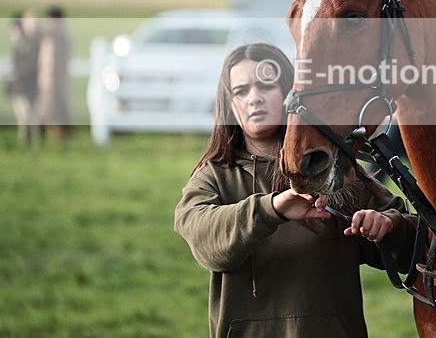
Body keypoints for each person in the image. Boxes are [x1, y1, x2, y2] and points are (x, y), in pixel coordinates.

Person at [174, 42, 417, 338]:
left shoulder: (328, 168)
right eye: (241, 91)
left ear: (291, 94)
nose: (254, 99)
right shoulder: (213, 177)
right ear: (229, 104)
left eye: (266, 86)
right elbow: (206, 243)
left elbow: (417, 250)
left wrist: (389, 227)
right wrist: (273, 209)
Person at [36, 6, 72, 142]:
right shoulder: (48, 36)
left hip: (56, 82)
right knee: (46, 111)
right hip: (46, 81)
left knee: (56, 112)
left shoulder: (61, 37)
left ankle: (60, 138)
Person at [7, 13, 41, 146]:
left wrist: (17, 73)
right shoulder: (21, 45)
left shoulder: (26, 45)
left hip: (24, 86)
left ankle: (28, 142)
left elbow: (27, 65)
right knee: (25, 116)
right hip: (21, 86)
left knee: (27, 116)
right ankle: (28, 142)